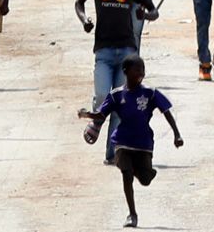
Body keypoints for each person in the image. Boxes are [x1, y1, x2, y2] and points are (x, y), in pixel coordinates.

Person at [77, 55, 183, 230]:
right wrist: (87, 114)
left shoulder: (150, 93)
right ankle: (132, 214)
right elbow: (102, 115)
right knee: (126, 174)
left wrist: (177, 134)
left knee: (145, 179)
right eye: (137, 69)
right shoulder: (117, 95)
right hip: (122, 141)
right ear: (126, 72)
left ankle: (144, 171)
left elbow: (167, 111)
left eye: (143, 69)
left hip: (144, 143)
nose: (141, 72)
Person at [76, 0, 158, 165]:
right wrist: (85, 20)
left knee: (120, 104)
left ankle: (112, 153)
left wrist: (144, 14)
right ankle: (97, 121)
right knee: (103, 96)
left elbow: (154, 11)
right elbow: (79, 3)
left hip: (127, 52)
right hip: (103, 49)